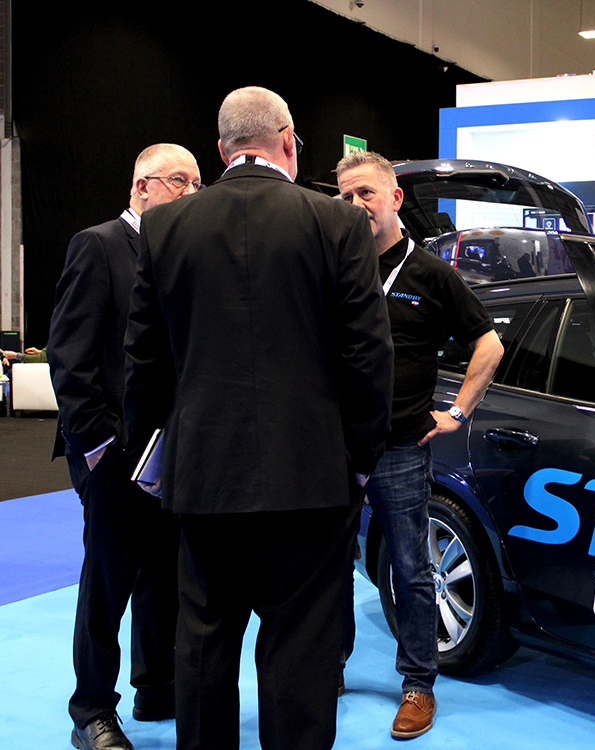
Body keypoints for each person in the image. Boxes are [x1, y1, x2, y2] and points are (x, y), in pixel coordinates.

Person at [123, 87, 393, 750]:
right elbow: (368, 358)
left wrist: (158, 460)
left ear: (220, 150)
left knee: (204, 642)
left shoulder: (164, 227)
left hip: (203, 478)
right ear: (290, 142)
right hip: (312, 479)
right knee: (301, 652)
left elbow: (144, 363)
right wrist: (358, 463)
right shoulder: (337, 225)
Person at [336, 151, 504, 740]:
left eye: (365, 194)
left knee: (410, 569)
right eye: (346, 196)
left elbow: (489, 345)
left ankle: (417, 684)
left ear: (394, 199)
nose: (356, 205)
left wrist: (458, 411)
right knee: (327, 564)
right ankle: (328, 667)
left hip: (401, 447)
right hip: (332, 447)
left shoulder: (431, 274)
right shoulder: (332, 266)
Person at [47, 143, 201, 750]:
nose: (192, 193)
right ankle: (91, 710)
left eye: (196, 182)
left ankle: (156, 686)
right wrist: (99, 451)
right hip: (113, 455)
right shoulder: (98, 244)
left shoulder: (182, 253)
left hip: (172, 452)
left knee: (164, 577)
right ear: (142, 187)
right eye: (179, 182)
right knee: (107, 585)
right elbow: (71, 356)